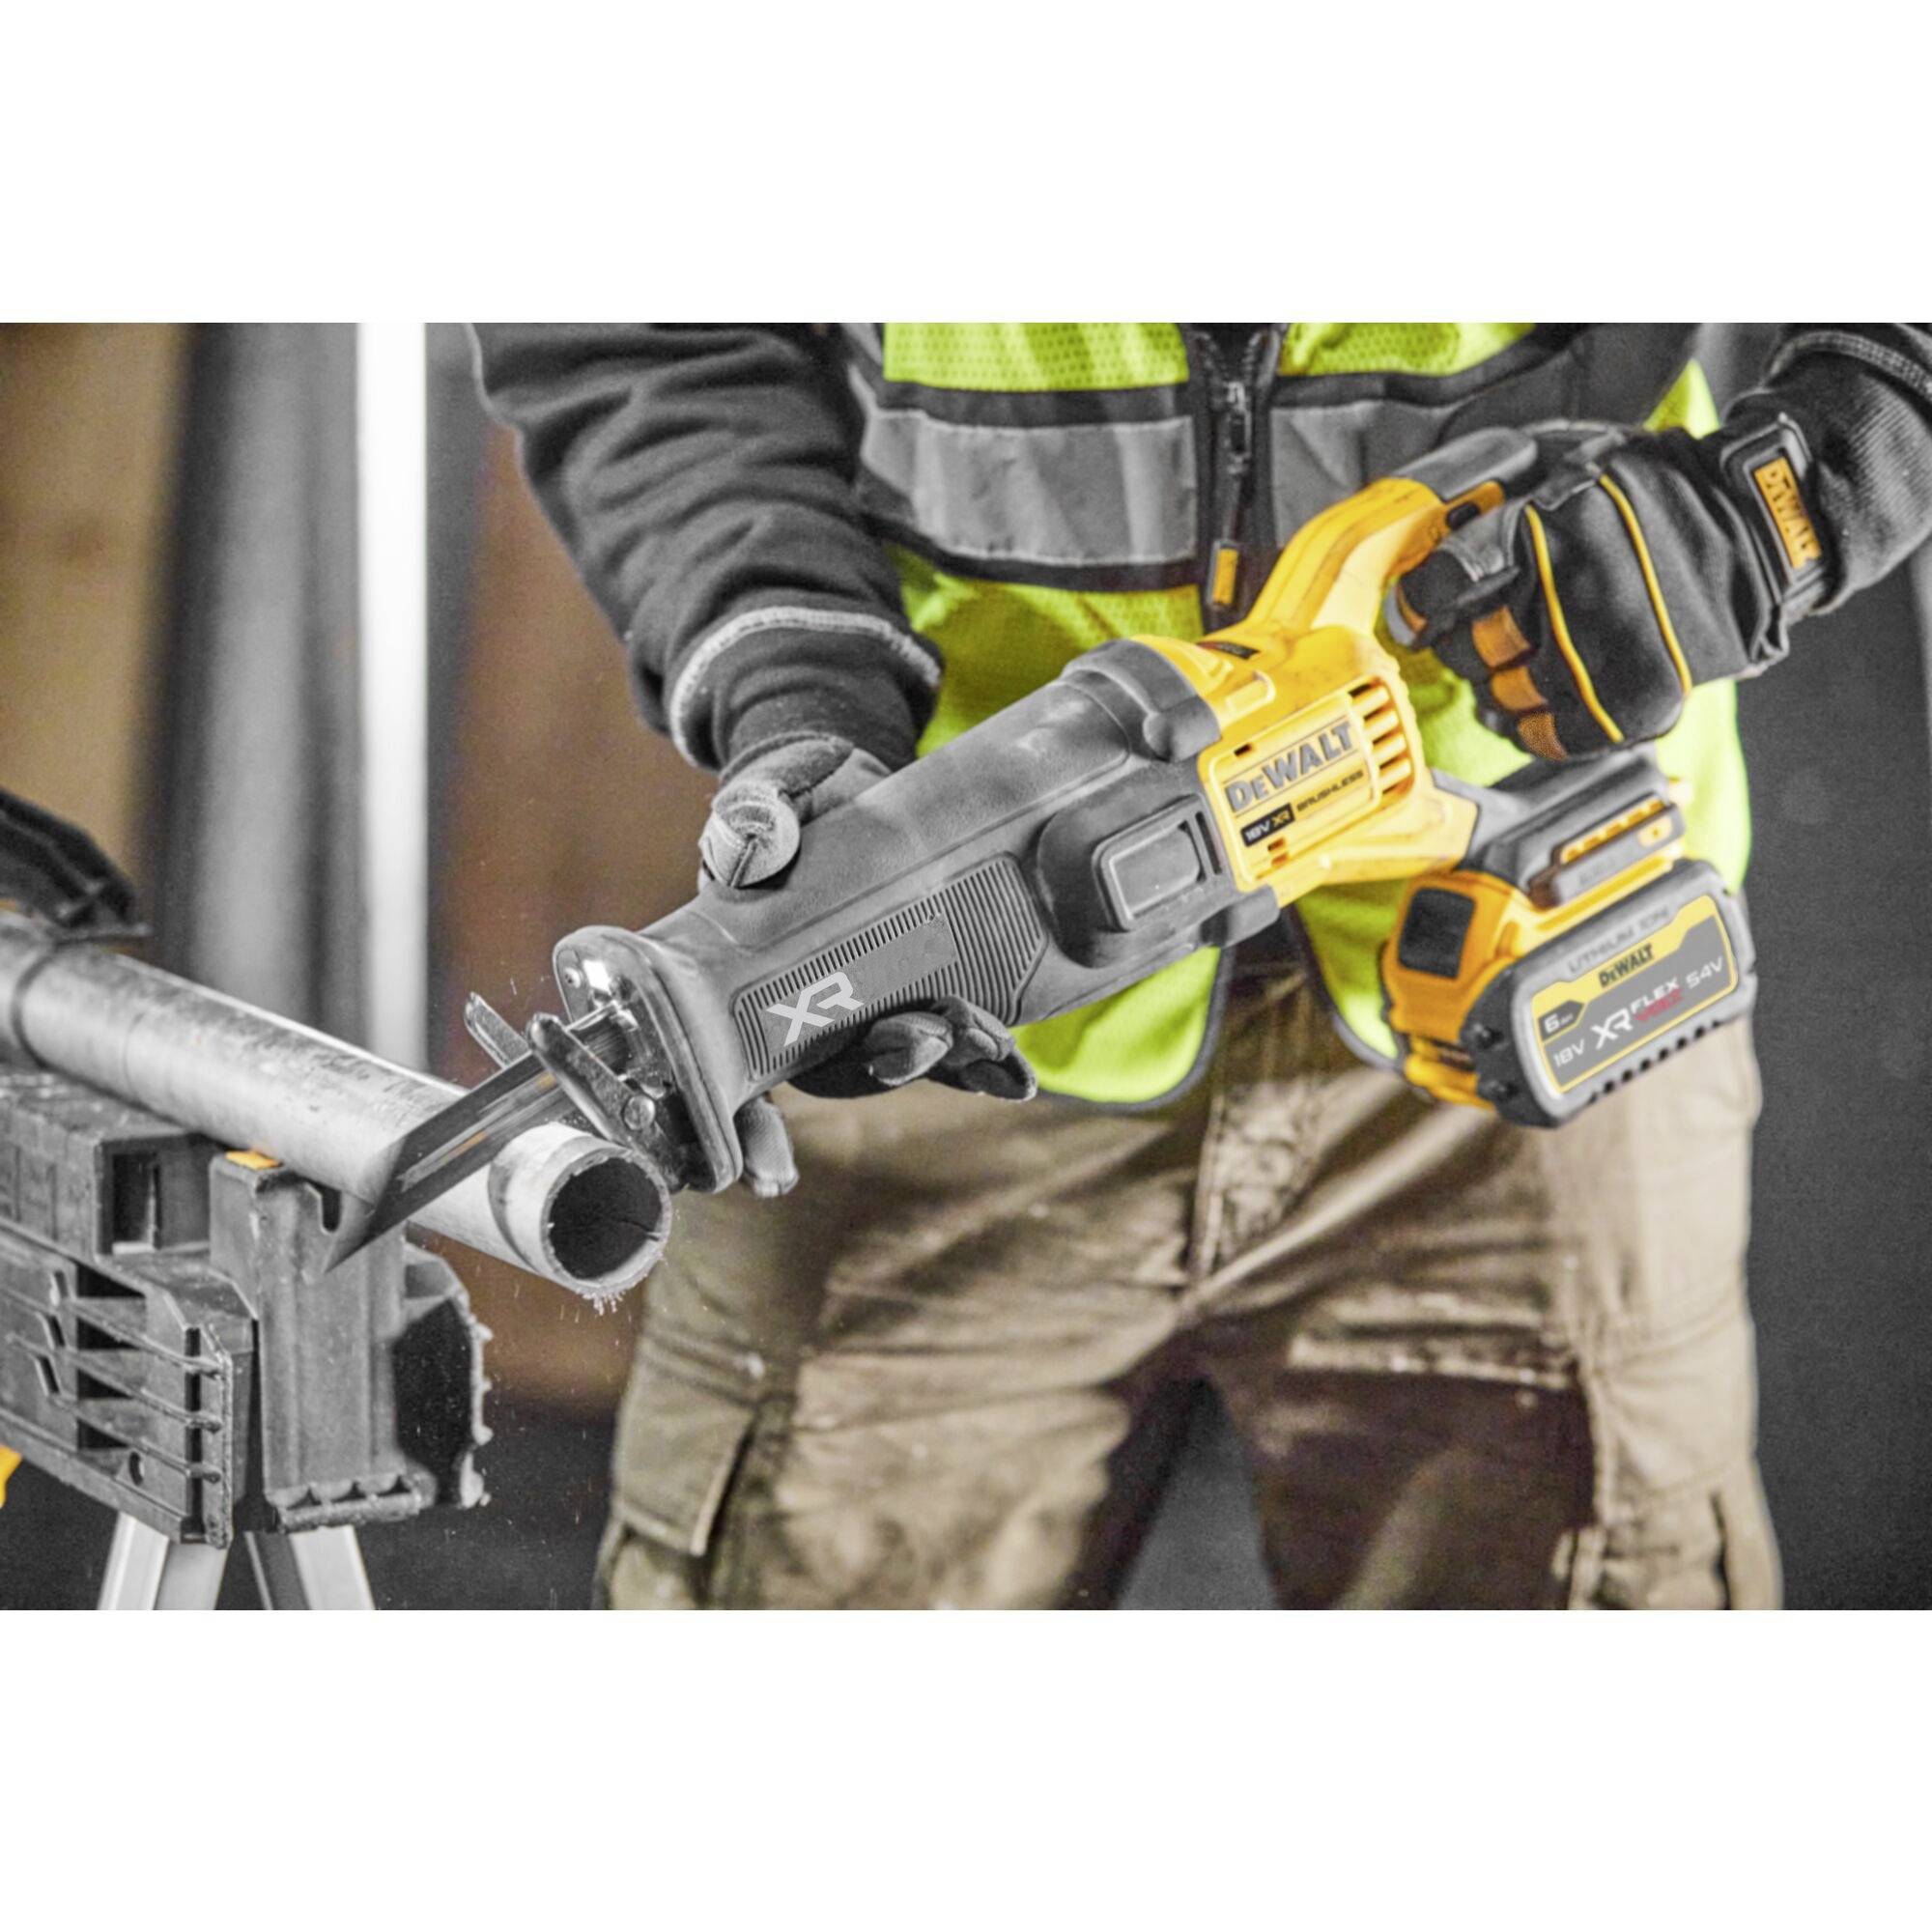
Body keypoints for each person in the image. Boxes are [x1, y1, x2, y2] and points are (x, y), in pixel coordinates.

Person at [473, 324, 1932, 1608]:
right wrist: (793, 677)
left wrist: (1776, 509)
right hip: (942, 954)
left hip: (1523, 956)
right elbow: (636, 324)